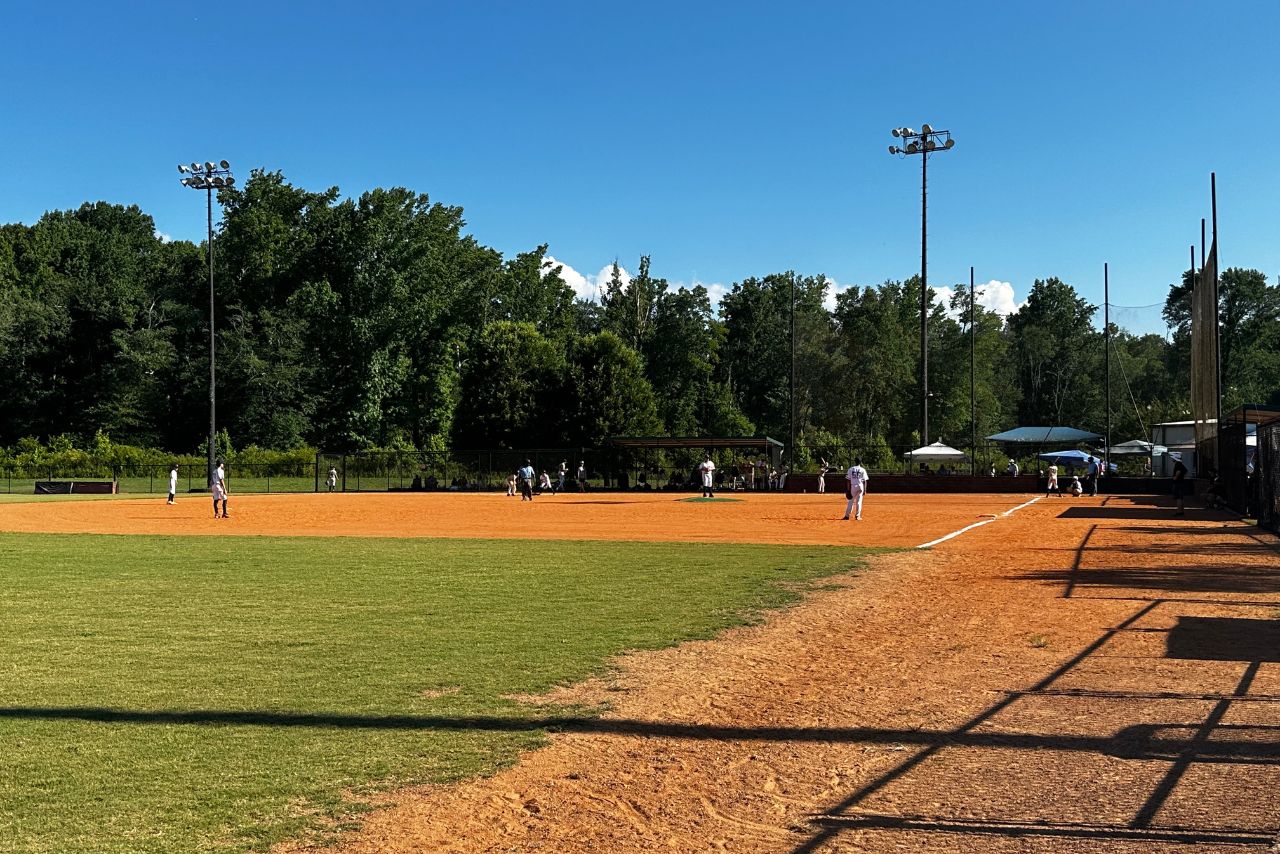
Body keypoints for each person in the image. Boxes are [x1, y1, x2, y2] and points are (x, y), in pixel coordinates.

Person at [843, 456, 870, 521]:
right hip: (860, 486)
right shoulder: (863, 469)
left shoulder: (851, 469)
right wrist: (865, 490)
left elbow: (848, 480)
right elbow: (865, 481)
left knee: (851, 501)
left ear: (855, 461)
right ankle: (857, 516)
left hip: (853, 486)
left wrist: (848, 489)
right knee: (859, 502)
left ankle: (847, 516)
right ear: (860, 462)